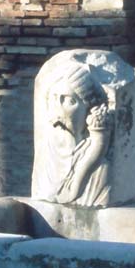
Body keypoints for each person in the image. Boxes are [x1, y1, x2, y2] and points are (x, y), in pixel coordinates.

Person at [39, 59, 113, 206]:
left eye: (69, 101)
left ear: (88, 107)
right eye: (54, 99)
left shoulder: (100, 168)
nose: (58, 109)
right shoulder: (46, 153)